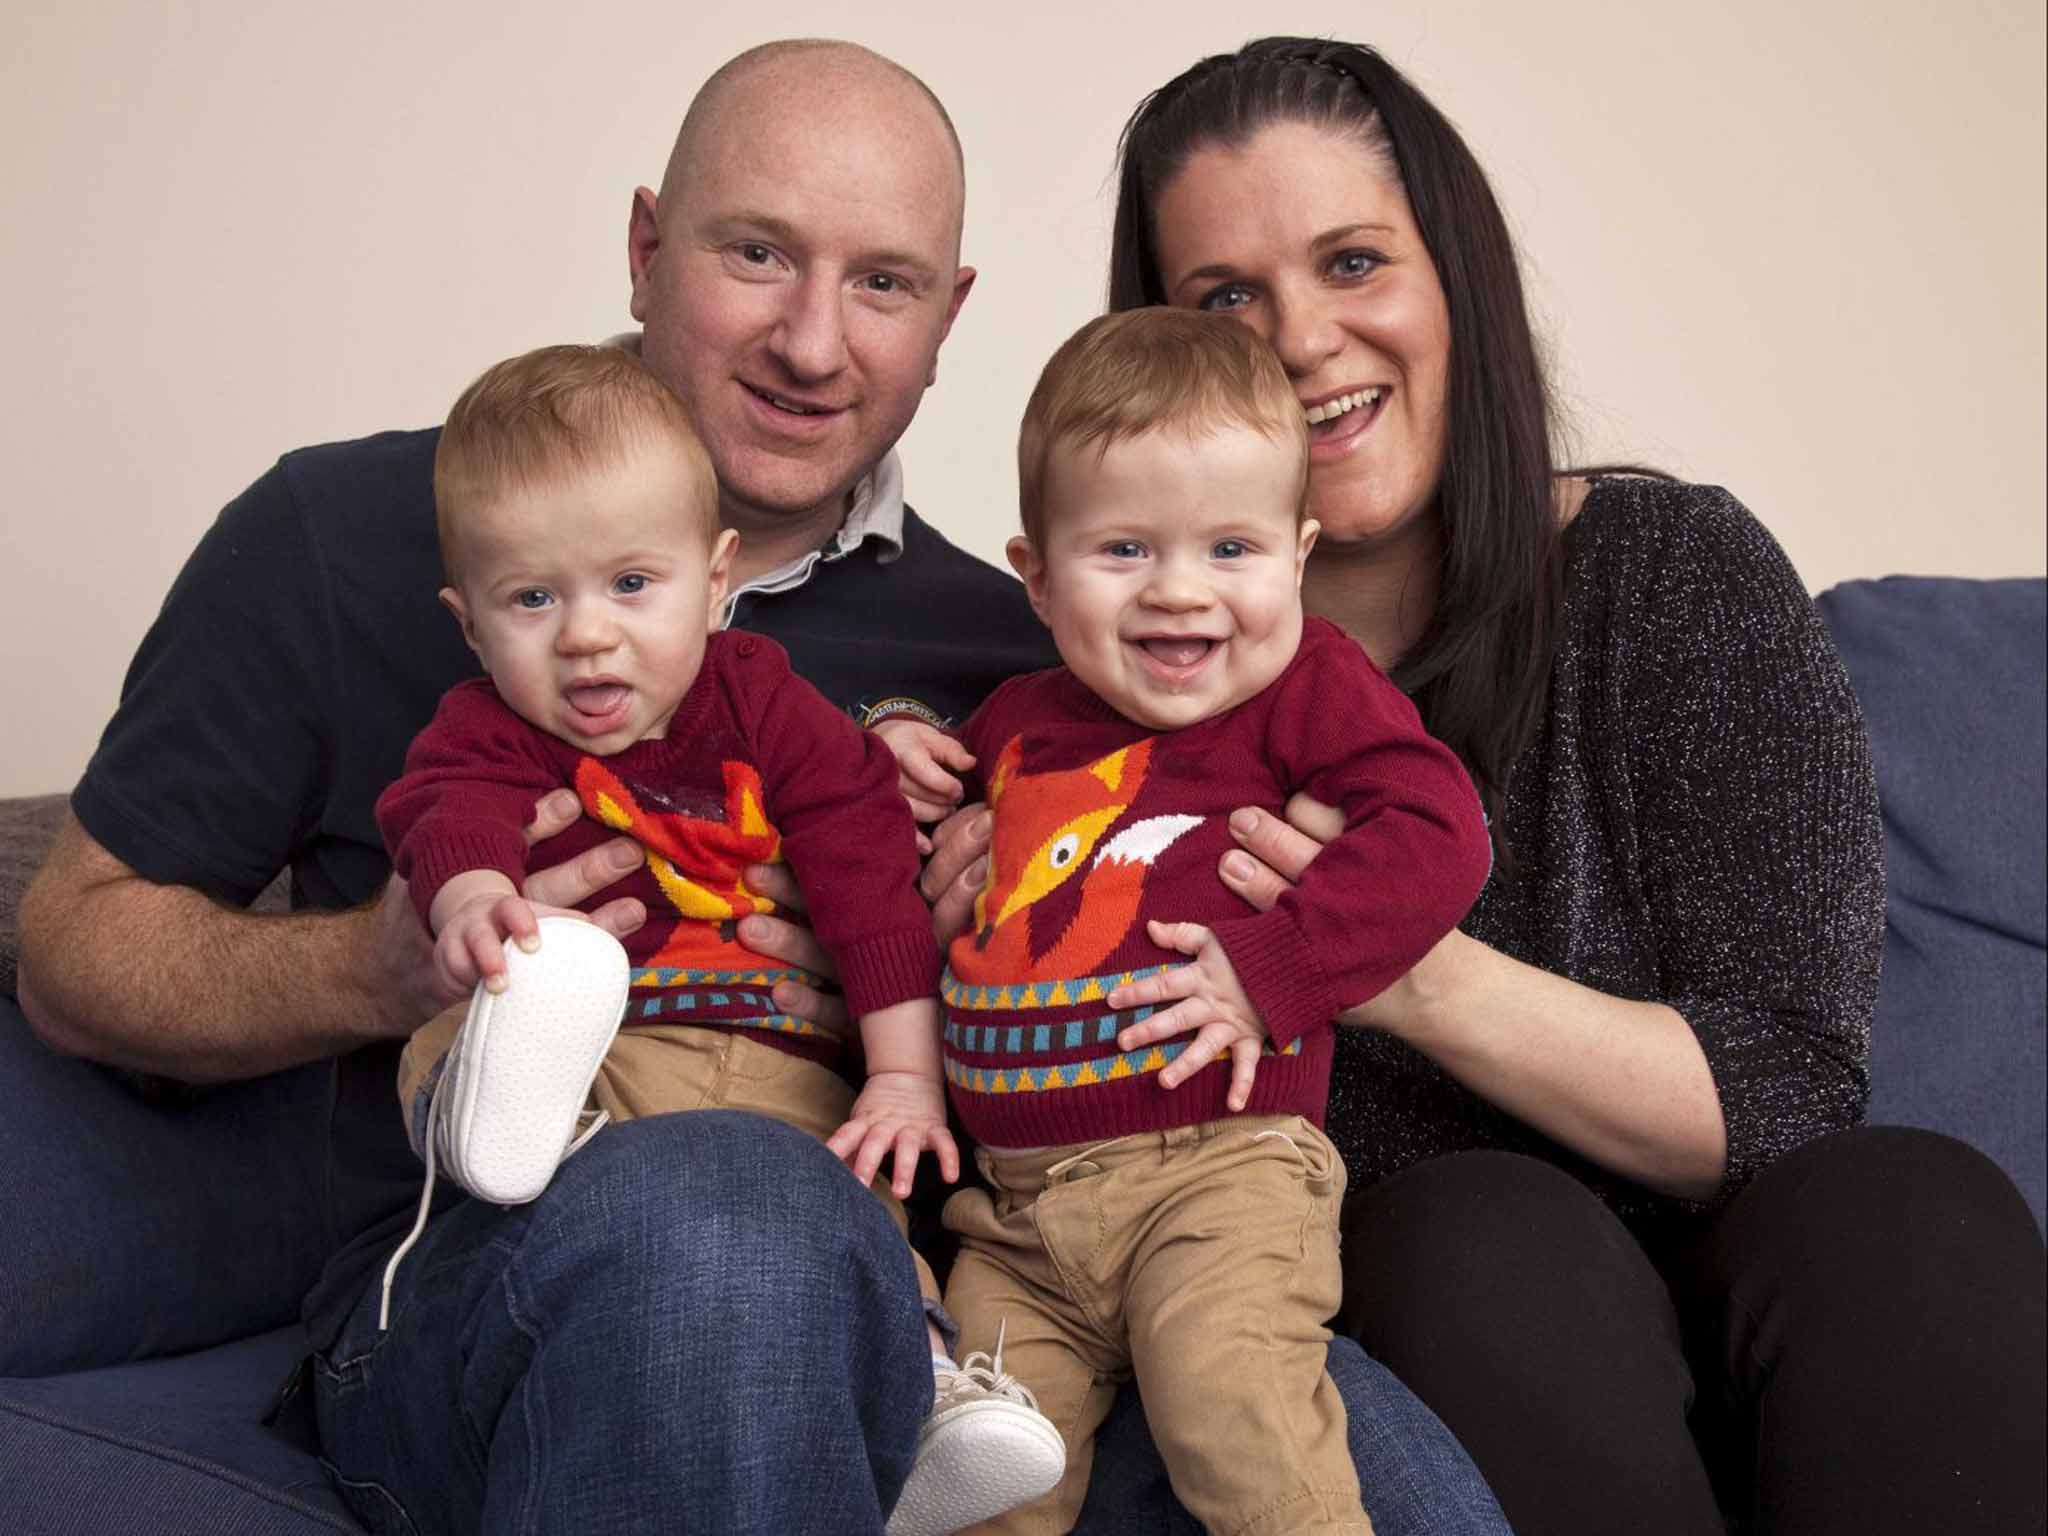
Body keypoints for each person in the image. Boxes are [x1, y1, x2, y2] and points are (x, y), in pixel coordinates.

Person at [15, 36, 1513, 1536]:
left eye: (883, 283)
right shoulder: (350, 536)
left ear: (948, 320)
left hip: (950, 1283)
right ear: (648, 248)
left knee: (1392, 1492)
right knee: (733, 1216)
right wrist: (382, 958)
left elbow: (1240, 868)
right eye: (756, 254)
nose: (814, 342)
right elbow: (76, 956)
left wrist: (1063, 896)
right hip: (489, 1291)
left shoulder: (1043, 645)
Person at [931, 33, 2048, 1536]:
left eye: (1351, 261)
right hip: (1418, 1281)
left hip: (1746, 1257)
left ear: (1453, 277)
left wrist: (1393, 965)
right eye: (1227, 301)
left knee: (1912, 1206)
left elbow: (1788, 1085)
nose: (1307, 340)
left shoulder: (1674, 575)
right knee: (1480, 1230)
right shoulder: (1121, 677)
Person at [373, 342, 1064, 1535]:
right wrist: (472, 901)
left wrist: (902, 1075)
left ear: (713, 578)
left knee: (838, 1209)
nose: (587, 638)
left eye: (630, 586)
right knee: (463, 1017)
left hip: (762, 1068)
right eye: (533, 600)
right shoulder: (489, 727)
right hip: (593, 1062)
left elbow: (859, 873)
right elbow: (449, 814)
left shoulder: (760, 703)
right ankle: (493, 1115)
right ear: (470, 625)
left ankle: (930, 1394)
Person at [879, 307, 1492, 1534]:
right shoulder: (1013, 721)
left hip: (1218, 1175)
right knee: (975, 1490)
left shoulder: (1306, 693)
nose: (1177, 592)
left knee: (1242, 1429)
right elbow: (892, 847)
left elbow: (1439, 832)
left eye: (1229, 549)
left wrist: (1275, 971)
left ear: (1297, 555)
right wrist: (888, 745)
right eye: (1121, 551)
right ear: (1036, 577)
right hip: (1012, 1224)